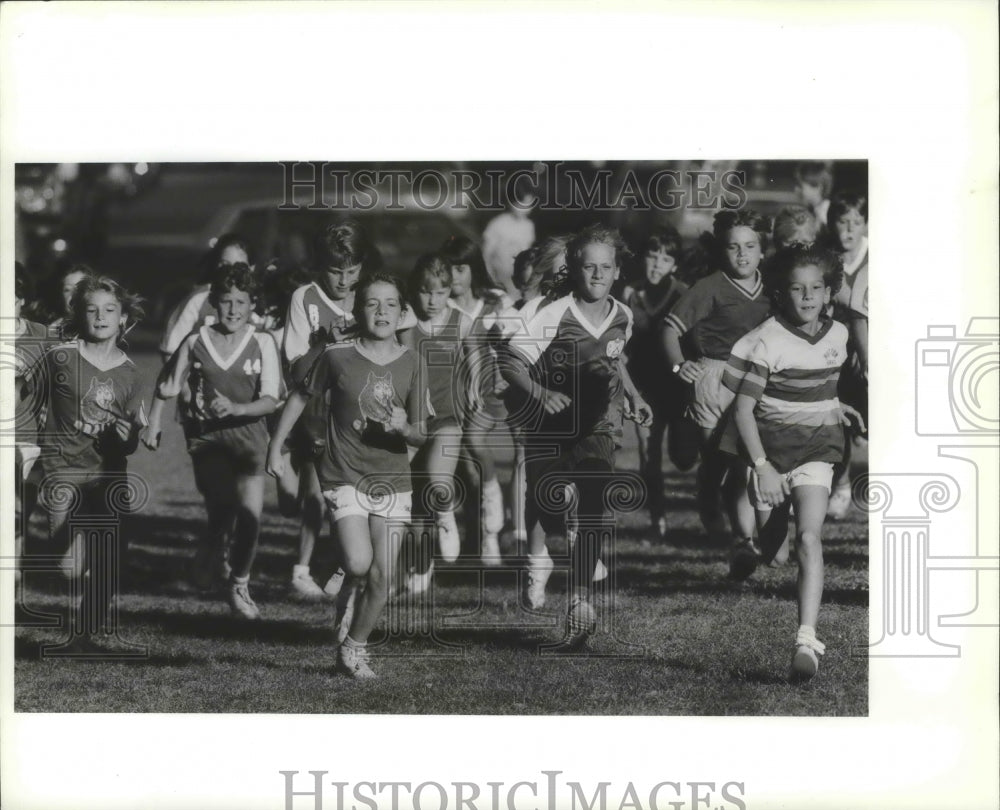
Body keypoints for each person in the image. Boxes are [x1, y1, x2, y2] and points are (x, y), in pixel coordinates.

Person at [266, 273, 429, 679]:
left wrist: (402, 427)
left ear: (403, 312)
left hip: (392, 478)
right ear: (358, 310)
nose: (381, 311)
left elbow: (422, 432)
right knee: (359, 562)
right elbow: (300, 396)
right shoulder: (337, 355)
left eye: (390, 304)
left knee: (383, 575)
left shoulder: (414, 362)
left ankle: (354, 649)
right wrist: (276, 446)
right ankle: (347, 586)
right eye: (372, 303)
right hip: (344, 474)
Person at [500, 225, 651, 647]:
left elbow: (614, 360)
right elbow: (510, 364)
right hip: (548, 427)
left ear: (618, 271)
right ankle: (556, 531)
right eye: (589, 267)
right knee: (549, 514)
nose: (597, 275)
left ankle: (579, 601)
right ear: (575, 269)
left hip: (599, 425)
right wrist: (541, 392)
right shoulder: (554, 314)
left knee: (595, 507)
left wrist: (635, 397)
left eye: (606, 267)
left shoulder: (624, 316)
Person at [720, 243, 864, 680]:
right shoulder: (769, 339)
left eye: (816, 288)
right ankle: (759, 526)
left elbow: (819, 383)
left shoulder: (838, 334)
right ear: (782, 293)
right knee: (775, 553)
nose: (807, 297)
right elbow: (744, 410)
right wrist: (761, 466)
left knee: (809, 539)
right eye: (797, 289)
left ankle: (806, 639)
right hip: (770, 454)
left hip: (818, 451)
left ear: (828, 292)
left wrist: (835, 405)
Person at [144, 263, 280, 618]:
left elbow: (271, 399)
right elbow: (167, 383)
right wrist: (154, 419)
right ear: (214, 304)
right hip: (208, 438)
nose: (233, 310)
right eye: (225, 301)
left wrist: (236, 406)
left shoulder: (262, 342)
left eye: (241, 301)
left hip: (250, 438)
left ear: (253, 305)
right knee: (223, 503)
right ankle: (210, 549)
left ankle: (238, 584)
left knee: (250, 519)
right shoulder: (196, 341)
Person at [35, 276, 147, 651]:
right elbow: (25, 398)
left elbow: (132, 440)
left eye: (109, 310)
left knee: (110, 558)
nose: (100, 317)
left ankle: (82, 634)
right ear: (80, 315)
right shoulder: (60, 357)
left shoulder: (131, 373)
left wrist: (126, 435)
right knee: (68, 569)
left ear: (124, 318)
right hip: (62, 472)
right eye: (92, 309)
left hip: (107, 475)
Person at [662, 210, 772, 552]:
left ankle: (744, 541)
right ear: (721, 251)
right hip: (713, 381)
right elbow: (669, 330)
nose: (742, 254)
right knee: (718, 461)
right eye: (733, 247)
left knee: (745, 465)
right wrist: (679, 366)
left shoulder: (773, 290)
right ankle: (708, 494)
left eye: (750, 246)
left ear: (762, 250)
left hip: (752, 382)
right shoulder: (708, 287)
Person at [620, 228, 700, 536]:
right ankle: (658, 520)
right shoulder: (630, 294)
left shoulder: (684, 293)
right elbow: (622, 343)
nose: (657, 265)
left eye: (665, 259)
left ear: (674, 265)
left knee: (683, 459)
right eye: (652, 257)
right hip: (644, 387)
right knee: (647, 453)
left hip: (678, 388)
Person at [399, 255, 474, 569]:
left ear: (449, 292)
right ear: (415, 290)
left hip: (445, 417)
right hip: (408, 418)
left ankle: (446, 516)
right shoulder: (405, 320)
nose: (432, 300)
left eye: (440, 293)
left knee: (438, 482)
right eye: (425, 292)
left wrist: (474, 384)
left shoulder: (461, 321)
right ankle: (413, 563)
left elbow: (478, 355)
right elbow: (401, 363)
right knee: (402, 493)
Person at [441, 235, 512, 564]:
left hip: (491, 392)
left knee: (475, 445)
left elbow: (514, 341)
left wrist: (504, 371)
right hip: (454, 394)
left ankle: (492, 520)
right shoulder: (441, 306)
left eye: (460, 268)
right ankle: (480, 537)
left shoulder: (496, 301)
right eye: (448, 269)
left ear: (473, 269)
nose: (454, 276)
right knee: (466, 472)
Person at [825, 191, 869, 519]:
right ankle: (841, 486)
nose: (850, 229)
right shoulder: (826, 261)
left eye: (856, 221)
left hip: (871, 354)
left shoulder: (877, 258)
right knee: (838, 424)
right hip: (837, 355)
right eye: (843, 221)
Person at [12, 263, 53, 608]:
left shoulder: (41, 335)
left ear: (22, 298)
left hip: (28, 440)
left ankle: (12, 571)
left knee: (17, 514)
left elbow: (62, 383)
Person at [158, 235, 253, 363]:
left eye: (239, 265)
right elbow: (171, 348)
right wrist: (180, 381)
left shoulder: (260, 301)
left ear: (252, 267)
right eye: (225, 264)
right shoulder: (199, 298)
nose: (231, 271)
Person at [481, 180, 537, 296]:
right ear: (511, 202)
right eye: (521, 205)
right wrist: (491, 282)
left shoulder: (528, 226)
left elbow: (527, 256)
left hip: (518, 281)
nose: (525, 209)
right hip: (498, 280)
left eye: (529, 205)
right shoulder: (497, 224)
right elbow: (485, 256)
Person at [794, 161, 834, 233]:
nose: (797, 190)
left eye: (801, 186)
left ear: (818, 187)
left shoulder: (825, 213)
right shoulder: (817, 210)